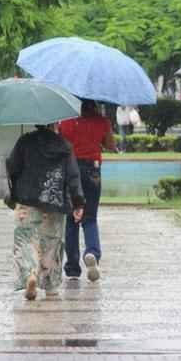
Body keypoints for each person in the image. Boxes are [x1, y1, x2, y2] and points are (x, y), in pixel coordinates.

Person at [5, 124, 86, 301]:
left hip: (27, 199)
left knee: (25, 238)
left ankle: (30, 273)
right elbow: (73, 176)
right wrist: (78, 202)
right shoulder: (64, 145)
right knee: (52, 243)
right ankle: (50, 286)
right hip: (54, 200)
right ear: (55, 123)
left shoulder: (25, 141)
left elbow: (12, 167)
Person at [59, 100, 117, 282]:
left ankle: (72, 268)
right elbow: (111, 146)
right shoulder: (102, 121)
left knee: (71, 220)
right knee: (90, 217)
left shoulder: (66, 122)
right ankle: (92, 253)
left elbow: (61, 146)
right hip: (93, 170)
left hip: (71, 170)